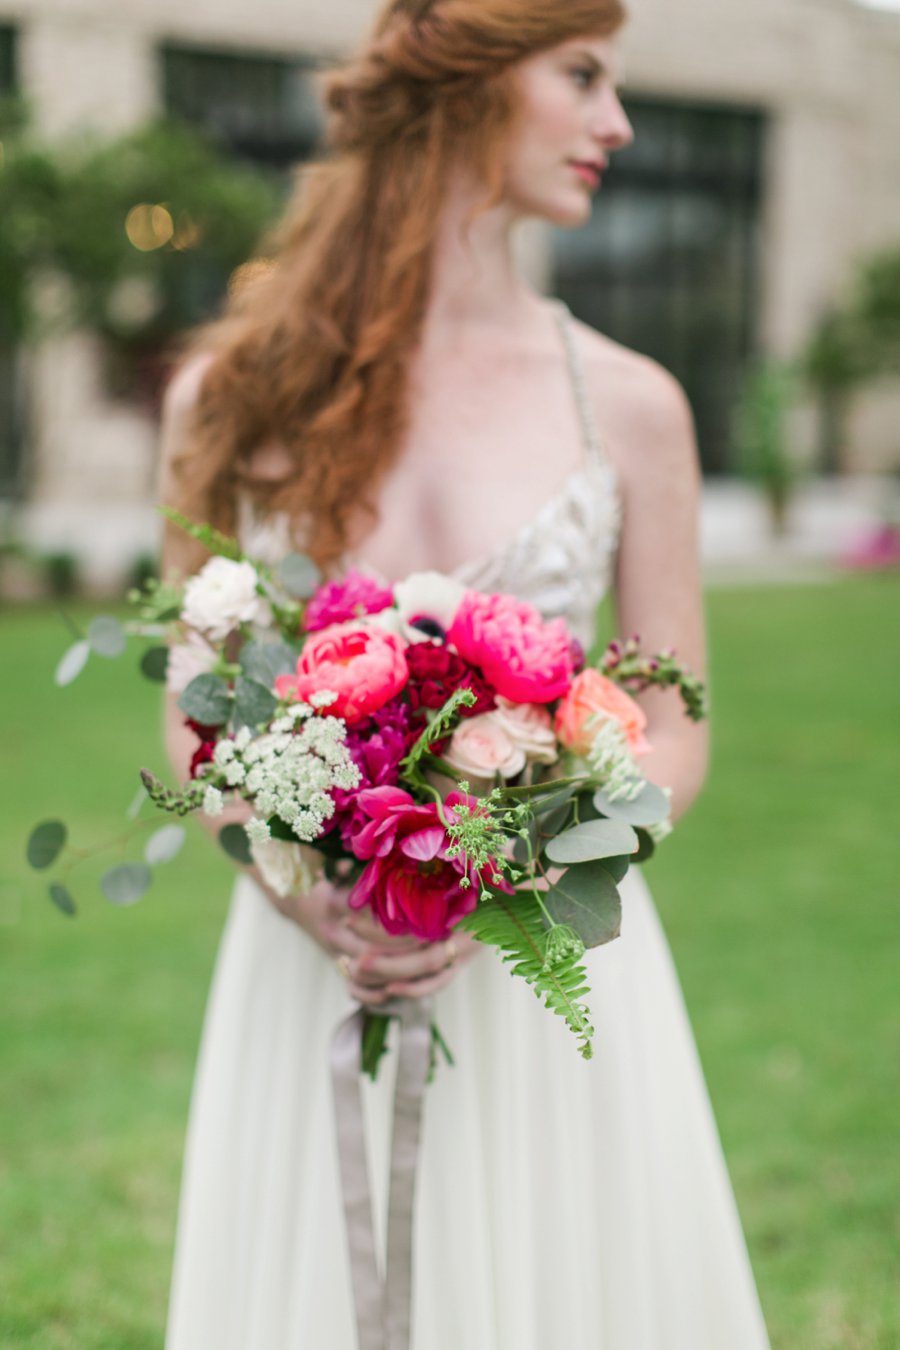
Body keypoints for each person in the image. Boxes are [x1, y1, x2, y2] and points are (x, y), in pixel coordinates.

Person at [159, 0, 772, 1345]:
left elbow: (672, 726)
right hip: (314, 956)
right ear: (471, 89)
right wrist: (308, 891)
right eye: (584, 76)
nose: (619, 124)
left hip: (552, 960)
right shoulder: (232, 395)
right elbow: (196, 711)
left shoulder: (632, 404)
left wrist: (530, 854)